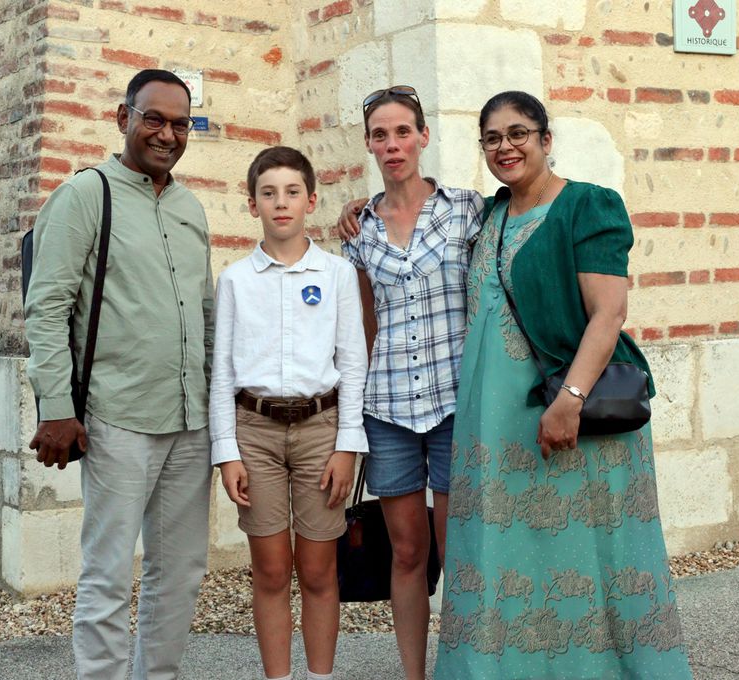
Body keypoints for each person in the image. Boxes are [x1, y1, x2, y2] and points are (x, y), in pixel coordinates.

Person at [435, 91, 693, 678]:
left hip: (569, 412)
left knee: (591, 554)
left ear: (546, 140)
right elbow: (414, 210)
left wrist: (569, 402)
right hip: (493, 425)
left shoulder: (588, 206)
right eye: (493, 138)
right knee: (504, 555)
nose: (506, 147)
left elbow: (609, 313)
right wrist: (360, 209)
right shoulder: (488, 216)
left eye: (519, 133)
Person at [24, 69, 214, 680]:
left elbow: (204, 314)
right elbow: (46, 306)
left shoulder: (191, 208)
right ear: (123, 118)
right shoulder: (86, 194)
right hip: (118, 417)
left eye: (179, 123)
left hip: (190, 421)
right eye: (153, 118)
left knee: (179, 573)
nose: (166, 133)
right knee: (107, 573)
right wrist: (56, 406)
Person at [339, 86, 483, 680]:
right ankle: (414, 674)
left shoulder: (468, 209)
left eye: (403, 132)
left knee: (460, 550)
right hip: (390, 407)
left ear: (423, 136)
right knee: (406, 551)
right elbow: (361, 325)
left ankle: (467, 667)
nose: (392, 145)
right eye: (380, 134)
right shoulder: (358, 230)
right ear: (370, 144)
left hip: (456, 404)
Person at [209, 146, 368, 680]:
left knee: (320, 570)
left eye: (292, 192)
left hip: (321, 432)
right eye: (268, 193)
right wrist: (226, 451)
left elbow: (352, 362)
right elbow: (223, 374)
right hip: (253, 432)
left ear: (311, 201)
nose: (281, 203)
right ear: (252, 204)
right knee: (272, 571)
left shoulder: (338, 274)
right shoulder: (235, 280)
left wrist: (348, 446)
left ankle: (319, 676)